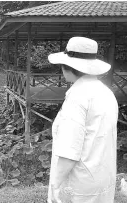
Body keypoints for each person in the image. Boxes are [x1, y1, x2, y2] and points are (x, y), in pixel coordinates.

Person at [47, 37, 118, 203]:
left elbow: (69, 149)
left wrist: (56, 184)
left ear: (67, 66)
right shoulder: (106, 92)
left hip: (79, 184)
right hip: (102, 176)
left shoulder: (77, 97)